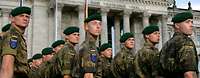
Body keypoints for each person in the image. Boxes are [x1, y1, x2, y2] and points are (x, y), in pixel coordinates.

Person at [160, 12, 198, 78]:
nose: (191, 25)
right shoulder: (185, 42)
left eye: (192, 22)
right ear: (177, 25)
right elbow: (189, 74)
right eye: (187, 22)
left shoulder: (167, 44)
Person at [0, 6, 31, 78]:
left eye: (27, 17)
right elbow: (7, 67)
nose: (25, 19)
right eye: (21, 16)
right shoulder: (12, 36)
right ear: (12, 18)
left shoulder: (18, 36)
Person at [79, 13, 102, 78]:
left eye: (100, 24)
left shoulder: (91, 46)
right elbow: (88, 75)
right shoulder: (89, 47)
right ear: (86, 26)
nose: (98, 26)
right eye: (94, 23)